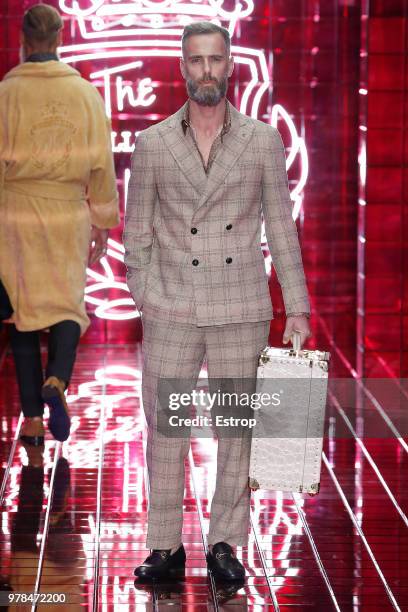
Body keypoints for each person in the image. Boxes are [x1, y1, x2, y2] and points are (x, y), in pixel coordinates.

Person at [123, 21, 311, 581]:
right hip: (173, 306)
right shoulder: (153, 144)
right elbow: (137, 235)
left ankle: (225, 544)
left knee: (237, 432)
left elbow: (281, 227)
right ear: (182, 68)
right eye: (196, 61)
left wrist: (295, 306)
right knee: (166, 430)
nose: (206, 70)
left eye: (215, 60)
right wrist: (148, 297)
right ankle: (164, 547)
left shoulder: (262, 140)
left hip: (239, 306)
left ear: (231, 66)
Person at [0, 4, 119, 446]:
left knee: (23, 313)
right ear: (61, 38)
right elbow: (101, 165)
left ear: (23, 40)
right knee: (68, 305)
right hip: (68, 211)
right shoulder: (85, 94)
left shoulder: (5, 94)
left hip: (14, 214)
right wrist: (103, 220)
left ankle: (32, 420)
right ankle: (58, 382)